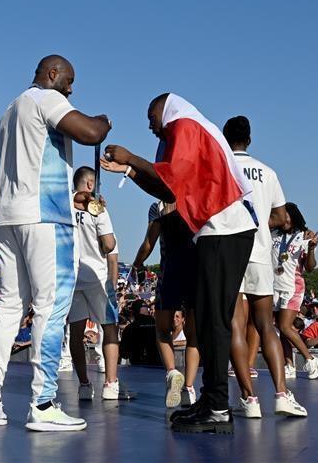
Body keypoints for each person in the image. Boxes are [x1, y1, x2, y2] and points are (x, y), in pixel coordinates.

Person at [102, 93, 256, 434]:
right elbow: (169, 193)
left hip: (224, 229)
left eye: (150, 117)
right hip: (220, 230)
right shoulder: (189, 127)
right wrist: (129, 168)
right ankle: (212, 398)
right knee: (207, 318)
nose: (149, 125)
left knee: (214, 320)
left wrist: (132, 157)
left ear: (164, 109)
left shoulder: (183, 125)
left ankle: (217, 405)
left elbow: (170, 180)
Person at [0, 55, 111, 432]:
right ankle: (44, 402)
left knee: (8, 307)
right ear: (52, 74)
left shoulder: (8, 111)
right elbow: (90, 133)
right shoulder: (46, 98)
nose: (71, 89)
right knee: (51, 307)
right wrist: (103, 122)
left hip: (9, 216)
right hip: (46, 217)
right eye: (69, 80)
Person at [223, 116, 306, 419]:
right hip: (258, 251)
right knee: (265, 325)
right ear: (250, 139)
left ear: (224, 136)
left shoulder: (220, 163)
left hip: (229, 251)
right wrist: (258, 222)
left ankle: (250, 399)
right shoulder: (268, 172)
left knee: (234, 325)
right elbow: (282, 218)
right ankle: (282, 394)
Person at [131, 200, 199, 409]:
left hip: (170, 271)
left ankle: (172, 372)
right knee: (193, 336)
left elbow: (149, 243)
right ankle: (188, 387)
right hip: (196, 270)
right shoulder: (195, 197)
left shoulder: (158, 206)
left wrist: (137, 263)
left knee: (162, 330)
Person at [67, 167, 123, 401]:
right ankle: (110, 383)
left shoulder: (63, 204)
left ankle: (83, 384)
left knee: (76, 332)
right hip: (96, 277)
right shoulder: (97, 208)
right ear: (90, 184)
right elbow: (109, 245)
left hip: (72, 276)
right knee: (110, 329)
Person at [271, 203, 318, 381]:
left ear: (292, 216)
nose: (280, 217)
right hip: (275, 286)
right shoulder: (274, 235)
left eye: (283, 214)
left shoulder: (303, 237)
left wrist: (311, 249)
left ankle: (310, 359)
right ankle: (289, 365)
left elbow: (309, 268)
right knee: (280, 328)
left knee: (285, 326)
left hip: (292, 287)